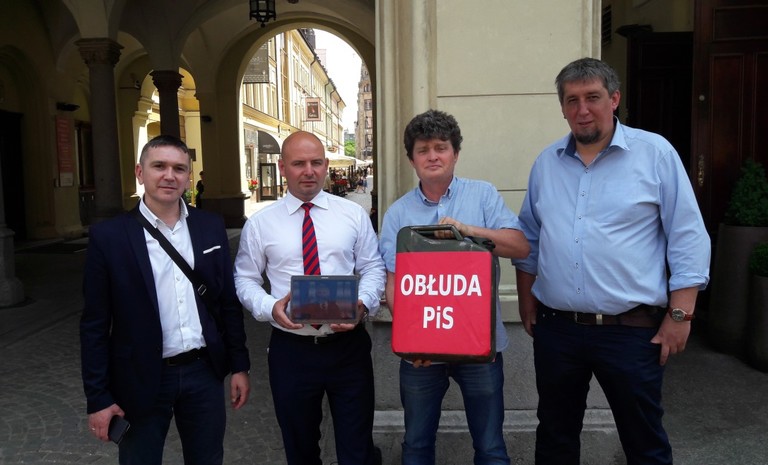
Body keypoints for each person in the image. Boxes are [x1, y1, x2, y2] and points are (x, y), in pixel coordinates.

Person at [512, 58, 711, 465]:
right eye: (572, 100)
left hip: (630, 331)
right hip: (558, 330)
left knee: (644, 442)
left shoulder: (655, 154)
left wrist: (681, 314)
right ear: (562, 107)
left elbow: (687, 235)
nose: (583, 109)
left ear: (614, 99)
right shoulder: (547, 163)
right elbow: (529, 238)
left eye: (593, 97)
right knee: (554, 437)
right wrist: (527, 301)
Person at [80, 135, 251, 465]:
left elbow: (227, 303)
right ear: (140, 172)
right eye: (159, 166)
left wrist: (240, 365)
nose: (169, 175)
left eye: (179, 168)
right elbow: (95, 325)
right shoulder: (110, 236)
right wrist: (98, 397)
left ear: (188, 176)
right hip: (140, 376)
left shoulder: (210, 225)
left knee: (207, 459)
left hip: (203, 373)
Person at [379, 109, 530, 465]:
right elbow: (393, 282)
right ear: (412, 159)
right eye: (423, 149)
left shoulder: (483, 195)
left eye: (441, 147)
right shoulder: (398, 213)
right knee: (416, 445)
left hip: (480, 347)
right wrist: (410, 341)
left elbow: (520, 246)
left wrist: (471, 232)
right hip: (422, 354)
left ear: (455, 153)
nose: (433, 156)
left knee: (491, 447)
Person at [234, 131, 386, 465]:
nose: (309, 171)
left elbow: (373, 267)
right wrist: (269, 307)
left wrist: (362, 303)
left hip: (348, 348)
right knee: (300, 449)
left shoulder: (352, 214)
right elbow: (244, 279)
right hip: (292, 351)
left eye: (316, 162)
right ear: (282, 167)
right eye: (298, 163)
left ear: (326, 165)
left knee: (357, 449)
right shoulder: (260, 224)